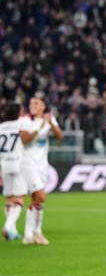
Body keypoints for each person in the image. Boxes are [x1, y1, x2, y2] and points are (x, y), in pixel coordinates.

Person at [19, 93, 63, 245]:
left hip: (42, 166)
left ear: (43, 106)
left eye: (36, 103)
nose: (33, 106)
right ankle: (33, 232)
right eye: (31, 103)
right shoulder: (24, 120)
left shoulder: (48, 119)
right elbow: (24, 140)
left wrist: (51, 123)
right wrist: (40, 126)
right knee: (40, 197)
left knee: (38, 200)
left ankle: (31, 233)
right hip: (27, 165)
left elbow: (59, 137)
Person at [0, 103, 27, 241]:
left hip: (4, 163)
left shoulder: (1, 126)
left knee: (9, 198)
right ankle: (8, 225)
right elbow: (27, 139)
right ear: (18, 112)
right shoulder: (20, 123)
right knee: (20, 197)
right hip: (18, 163)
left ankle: (13, 231)